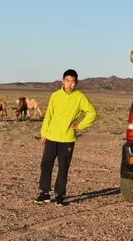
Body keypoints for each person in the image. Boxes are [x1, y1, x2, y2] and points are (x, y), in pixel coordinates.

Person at [34, 69, 97, 206]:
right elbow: (48, 116)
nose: (70, 84)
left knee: (63, 167)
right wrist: (44, 134)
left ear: (76, 83)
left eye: (73, 82)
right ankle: (44, 193)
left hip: (67, 139)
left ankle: (60, 195)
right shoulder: (55, 96)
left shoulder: (80, 97)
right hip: (51, 136)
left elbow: (92, 113)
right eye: (67, 81)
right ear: (63, 81)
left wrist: (80, 126)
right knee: (46, 165)